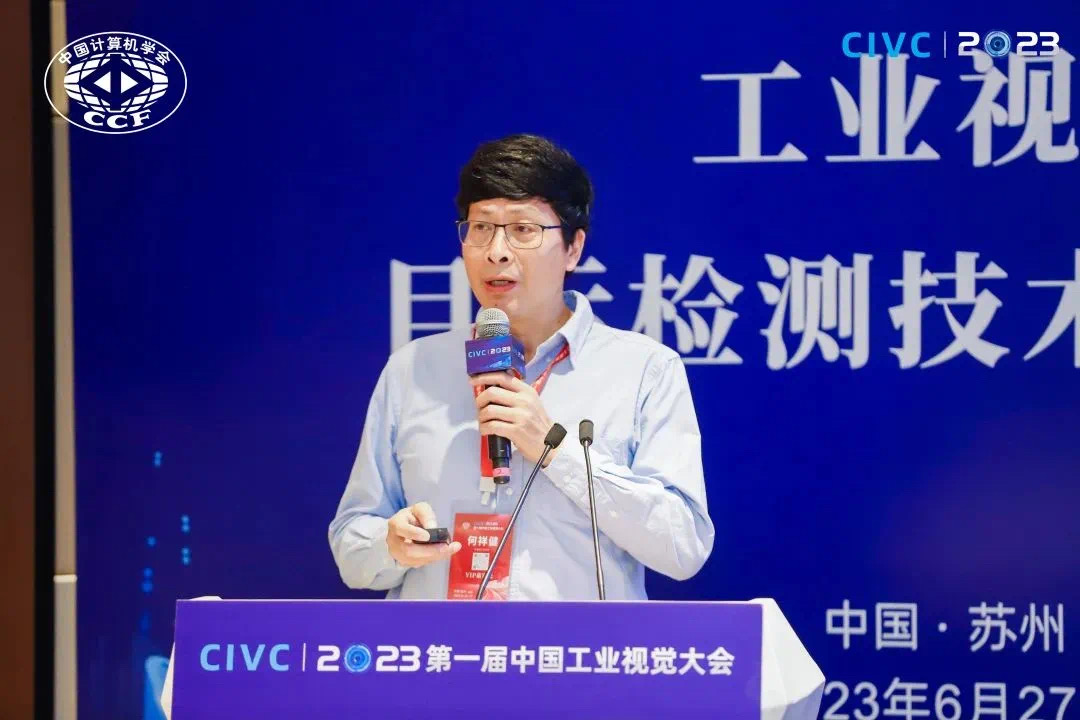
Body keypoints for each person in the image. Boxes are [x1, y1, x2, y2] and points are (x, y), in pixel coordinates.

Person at [329, 133, 713, 600]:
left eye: (523, 230)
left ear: (573, 248)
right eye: (481, 228)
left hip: (574, 647)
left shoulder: (643, 370)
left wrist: (554, 450)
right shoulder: (413, 370)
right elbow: (351, 545)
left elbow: (683, 546)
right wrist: (390, 544)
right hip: (441, 645)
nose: (497, 250)